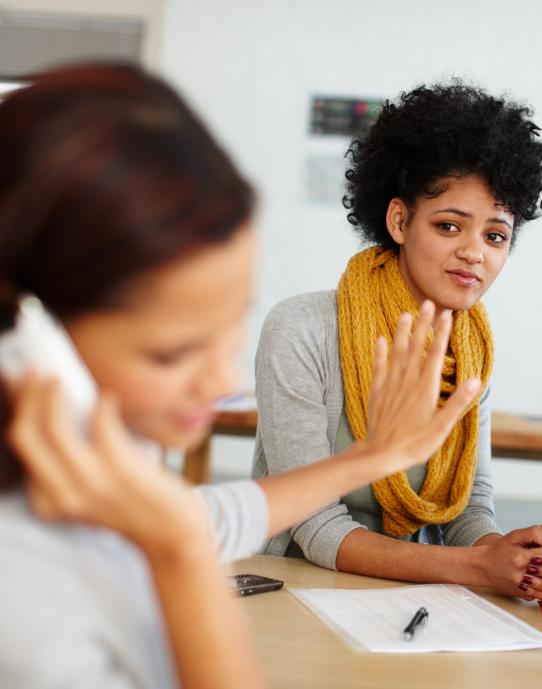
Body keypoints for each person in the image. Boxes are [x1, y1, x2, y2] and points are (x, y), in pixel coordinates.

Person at [0, 64, 479, 689]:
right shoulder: (26, 598)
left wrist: (370, 457)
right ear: (32, 347)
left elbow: (204, 516)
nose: (220, 378)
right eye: (172, 353)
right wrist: (178, 558)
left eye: (230, 330)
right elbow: (181, 531)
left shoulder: (86, 470)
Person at [253, 81, 542, 602]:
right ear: (399, 220)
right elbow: (312, 523)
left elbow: (468, 506)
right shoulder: (302, 328)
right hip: (297, 594)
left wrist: (511, 555)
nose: (476, 253)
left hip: (418, 603)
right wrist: (477, 566)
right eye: (450, 226)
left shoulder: (471, 348)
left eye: (495, 236)